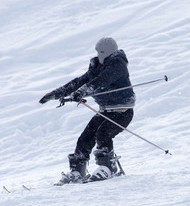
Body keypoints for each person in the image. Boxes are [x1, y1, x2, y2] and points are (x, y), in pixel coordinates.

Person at [39, 37, 135, 184]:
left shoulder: (117, 65)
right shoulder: (96, 66)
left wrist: (83, 92)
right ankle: (78, 171)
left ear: (110, 51)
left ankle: (108, 167)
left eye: (102, 51)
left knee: (103, 134)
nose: (99, 54)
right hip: (105, 110)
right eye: (98, 51)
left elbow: (102, 81)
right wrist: (56, 93)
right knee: (86, 137)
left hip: (122, 111)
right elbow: (80, 81)